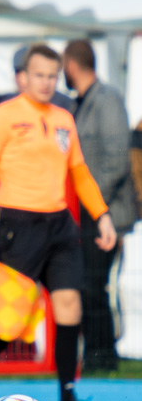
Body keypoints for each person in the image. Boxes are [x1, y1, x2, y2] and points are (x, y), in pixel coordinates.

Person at [0, 44, 117, 401]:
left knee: (69, 306)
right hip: (18, 225)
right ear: (22, 78)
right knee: (9, 321)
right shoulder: (3, 115)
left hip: (60, 225)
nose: (46, 82)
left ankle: (67, 397)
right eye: (39, 75)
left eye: (52, 76)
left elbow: (79, 173)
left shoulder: (64, 118)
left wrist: (103, 214)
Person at [63, 39, 136, 372]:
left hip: (104, 211)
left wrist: (91, 202)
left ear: (71, 66)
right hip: (90, 211)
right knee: (88, 283)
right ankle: (96, 353)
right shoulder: (83, 102)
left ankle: (103, 355)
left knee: (95, 283)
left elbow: (117, 159)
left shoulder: (106, 100)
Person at [8, 45, 76, 112]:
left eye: (51, 76)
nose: (45, 82)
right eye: (18, 72)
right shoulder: (6, 108)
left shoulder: (64, 105)